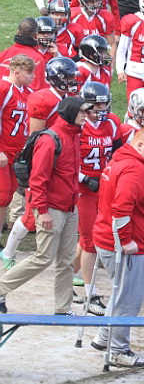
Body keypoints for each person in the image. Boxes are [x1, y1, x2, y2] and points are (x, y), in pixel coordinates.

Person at [0, 96, 90, 315]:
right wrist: (42, 211)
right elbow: (38, 179)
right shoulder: (50, 140)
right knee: (43, 258)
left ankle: (63, 308)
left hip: (69, 207)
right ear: (70, 113)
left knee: (66, 261)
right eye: (82, 112)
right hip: (50, 208)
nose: (86, 116)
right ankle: (1, 288)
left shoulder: (74, 136)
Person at [90, 127, 144, 368]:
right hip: (122, 246)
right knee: (128, 299)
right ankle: (118, 351)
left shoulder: (120, 161)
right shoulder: (134, 169)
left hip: (108, 238)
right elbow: (121, 208)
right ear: (139, 145)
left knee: (120, 293)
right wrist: (125, 240)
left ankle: (104, 337)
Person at [77, 82, 122, 316]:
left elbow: (117, 154)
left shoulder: (112, 122)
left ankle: (66, 277)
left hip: (104, 185)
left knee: (95, 237)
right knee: (89, 241)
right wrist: (85, 178)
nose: (101, 108)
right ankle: (90, 295)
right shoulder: (78, 123)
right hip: (82, 188)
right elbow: (66, 159)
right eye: (97, 104)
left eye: (104, 104)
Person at [0, 55, 35, 247]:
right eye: (29, 73)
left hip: (17, 152)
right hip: (3, 150)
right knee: (2, 195)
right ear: (16, 71)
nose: (33, 77)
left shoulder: (28, 92)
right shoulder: (4, 88)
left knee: (8, 196)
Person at [0, 18, 47, 91]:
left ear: (18, 32)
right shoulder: (37, 59)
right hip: (20, 98)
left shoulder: (2, 54)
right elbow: (36, 90)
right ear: (36, 36)